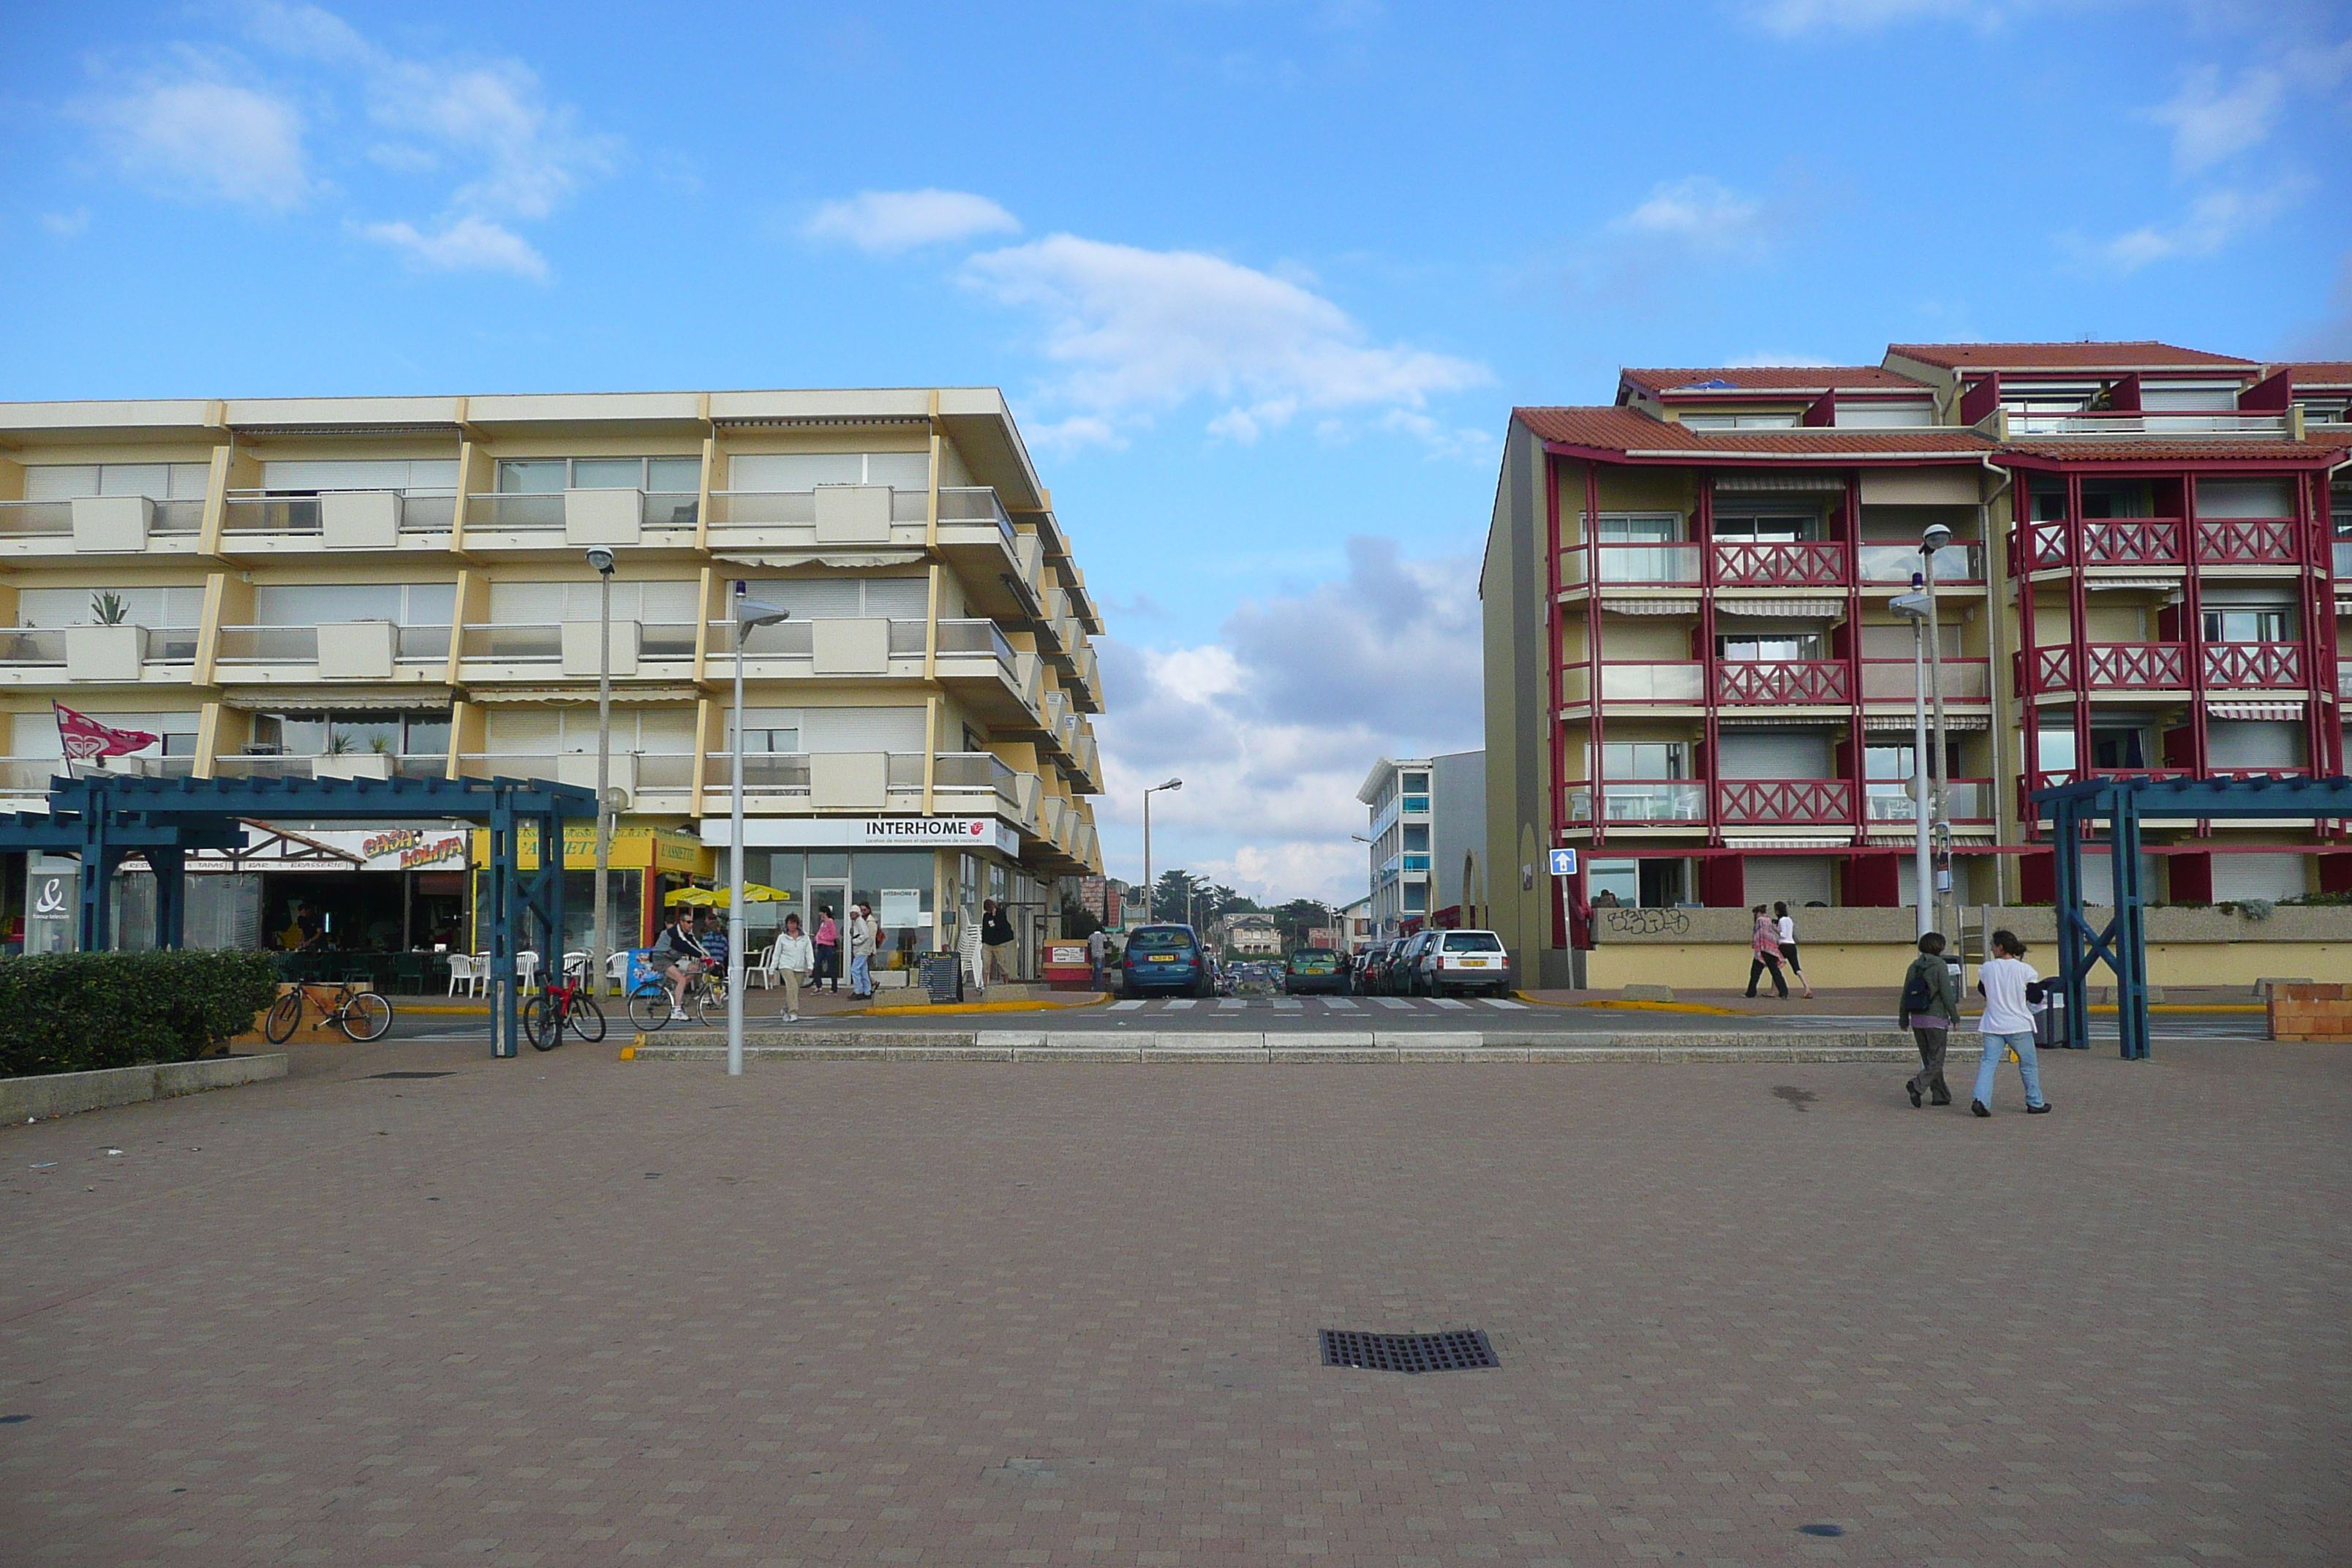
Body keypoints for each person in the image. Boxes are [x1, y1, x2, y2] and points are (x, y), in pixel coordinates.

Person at [1972, 929, 2051, 1117]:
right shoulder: (2025, 970)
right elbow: (2035, 996)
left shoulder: (1987, 969)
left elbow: (1982, 989)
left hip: (1992, 1023)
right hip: (2019, 1024)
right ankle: (2035, 1102)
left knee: (1988, 1064)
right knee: (2028, 1064)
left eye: (1993, 945)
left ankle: (1980, 1100)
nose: (1991, 948)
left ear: (2000, 947)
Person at [1899, 931, 1959, 1107]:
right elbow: (1947, 994)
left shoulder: (1914, 966)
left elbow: (1905, 994)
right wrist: (1955, 1017)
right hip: (1936, 1018)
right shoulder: (1939, 965)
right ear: (1938, 947)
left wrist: (1904, 1019)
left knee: (1929, 1060)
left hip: (1917, 1018)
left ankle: (1941, 1096)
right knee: (1937, 1059)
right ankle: (1917, 1085)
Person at [655, 907, 710, 1021]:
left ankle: (678, 990)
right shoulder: (675, 932)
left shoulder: (688, 933)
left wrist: (708, 957)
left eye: (692, 922)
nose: (691, 924)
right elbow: (685, 945)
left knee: (695, 968)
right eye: (689, 922)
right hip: (661, 958)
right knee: (681, 979)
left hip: (673, 959)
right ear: (681, 923)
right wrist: (701, 956)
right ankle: (677, 1010)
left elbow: (696, 944)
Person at [773, 912, 814, 1023]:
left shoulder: (804, 938)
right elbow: (776, 954)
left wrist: (810, 966)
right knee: (791, 986)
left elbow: (808, 952)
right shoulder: (782, 938)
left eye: (794, 923)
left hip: (800, 967)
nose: (791, 926)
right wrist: (772, 969)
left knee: (794, 990)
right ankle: (793, 1012)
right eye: (789, 923)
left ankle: (786, 1009)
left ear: (797, 924)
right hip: (786, 965)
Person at [1746, 903, 1789, 999]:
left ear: (1758, 913)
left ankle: (1751, 992)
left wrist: (1756, 945)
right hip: (1771, 947)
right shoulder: (1768, 920)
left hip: (1763, 948)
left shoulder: (1759, 920)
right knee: (1775, 971)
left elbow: (1758, 933)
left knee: (1755, 972)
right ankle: (1784, 992)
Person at [1774, 901, 1814, 999]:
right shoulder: (1790, 920)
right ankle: (1807, 987)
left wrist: (1774, 929)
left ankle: (1774, 991)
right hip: (1792, 945)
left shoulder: (1782, 921)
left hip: (1784, 945)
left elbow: (1783, 934)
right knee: (1797, 968)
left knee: (1775, 968)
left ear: (1778, 911)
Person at [982, 897, 1016, 985]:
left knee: (1002, 962)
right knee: (986, 962)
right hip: (988, 943)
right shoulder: (986, 916)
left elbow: (1001, 926)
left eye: (989, 910)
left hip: (999, 943)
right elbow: (985, 929)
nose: (988, 912)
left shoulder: (1001, 914)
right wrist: (983, 940)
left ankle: (1006, 982)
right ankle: (985, 983)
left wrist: (994, 916)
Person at [848, 902, 878, 998]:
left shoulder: (860, 922)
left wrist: (855, 941)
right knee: (863, 971)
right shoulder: (859, 922)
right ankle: (867, 991)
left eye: (852, 913)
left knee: (854, 970)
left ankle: (858, 991)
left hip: (862, 950)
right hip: (862, 950)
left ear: (856, 913)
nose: (850, 915)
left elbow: (866, 935)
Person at [813, 907, 840, 993]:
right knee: (817, 965)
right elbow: (819, 933)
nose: (819, 914)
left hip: (829, 947)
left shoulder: (830, 922)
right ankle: (818, 986)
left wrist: (823, 938)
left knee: (831, 967)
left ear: (825, 913)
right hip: (821, 946)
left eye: (821, 912)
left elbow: (834, 935)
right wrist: (817, 938)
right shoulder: (822, 923)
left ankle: (834, 988)